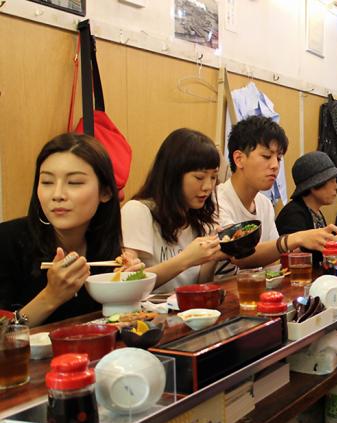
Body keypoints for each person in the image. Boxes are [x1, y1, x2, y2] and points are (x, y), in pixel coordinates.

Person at [0, 134, 141, 326]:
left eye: (74, 182)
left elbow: (110, 323)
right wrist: (51, 296)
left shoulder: (104, 247)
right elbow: (3, 335)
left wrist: (127, 288)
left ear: (106, 192)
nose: (57, 195)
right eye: (47, 182)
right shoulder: (7, 242)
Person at [218, 116, 337, 271]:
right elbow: (239, 256)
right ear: (239, 159)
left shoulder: (264, 203)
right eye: (267, 156)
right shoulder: (218, 202)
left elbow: (274, 264)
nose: (275, 165)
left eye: (279, 158)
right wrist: (296, 239)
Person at [122, 128, 227, 293]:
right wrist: (186, 259)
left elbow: (198, 286)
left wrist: (212, 256)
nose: (208, 187)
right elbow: (127, 283)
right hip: (146, 315)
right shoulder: (138, 211)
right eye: (199, 177)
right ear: (173, 174)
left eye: (213, 177)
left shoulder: (197, 216)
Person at [275, 151, 337, 264]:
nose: (336, 186)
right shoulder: (293, 214)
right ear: (314, 185)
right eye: (332, 181)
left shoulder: (315, 212)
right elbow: (300, 259)